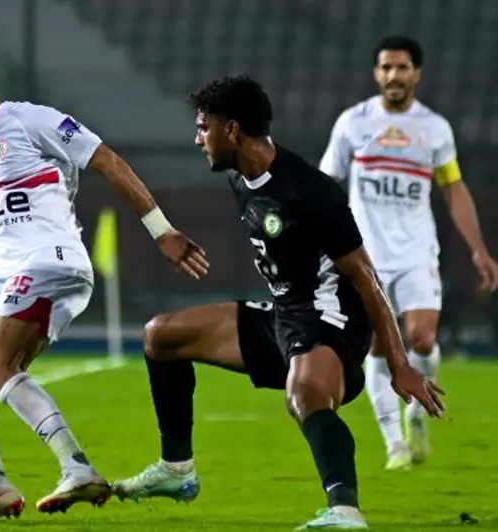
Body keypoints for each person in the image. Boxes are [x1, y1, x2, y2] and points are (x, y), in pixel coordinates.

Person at [112, 75, 445, 530]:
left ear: (232, 130)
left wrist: (399, 363)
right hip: (285, 313)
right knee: (161, 336)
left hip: (332, 317)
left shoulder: (309, 191)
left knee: (304, 394)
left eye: (203, 127)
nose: (197, 139)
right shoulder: (240, 180)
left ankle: (345, 511)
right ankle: (177, 470)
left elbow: (366, 278)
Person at [0, 44, 209, 524]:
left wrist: (162, 230)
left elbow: (108, 161)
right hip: (3, 274)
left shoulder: (33, 120)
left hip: (50, 260)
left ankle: (78, 469)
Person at [319, 35, 498, 470]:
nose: (393, 75)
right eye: (386, 67)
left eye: (401, 67)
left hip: (417, 252)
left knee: (422, 338)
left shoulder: (434, 129)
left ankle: (416, 412)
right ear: (376, 74)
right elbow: (325, 184)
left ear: (416, 73)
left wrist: (478, 250)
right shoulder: (353, 122)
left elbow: (453, 189)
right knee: (379, 346)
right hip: (366, 256)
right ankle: (394, 443)